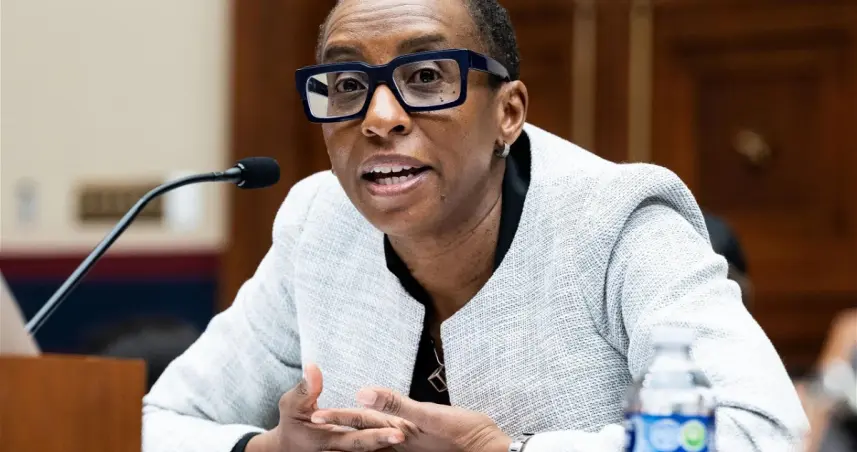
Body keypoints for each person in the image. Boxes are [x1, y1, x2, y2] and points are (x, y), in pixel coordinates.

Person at [141, 1, 808, 451]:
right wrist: (268, 448)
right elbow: (155, 422)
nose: (378, 118)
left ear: (508, 113)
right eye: (345, 84)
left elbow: (760, 433)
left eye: (426, 76)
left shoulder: (618, 222)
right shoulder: (320, 224)